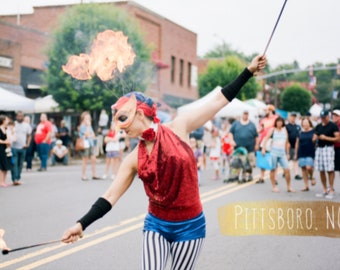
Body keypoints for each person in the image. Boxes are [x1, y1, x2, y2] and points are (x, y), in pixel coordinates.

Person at [61, 55, 267, 269]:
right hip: (156, 225)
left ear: (139, 114)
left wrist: (248, 71)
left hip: (190, 226)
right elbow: (110, 196)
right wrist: (81, 223)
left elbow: (217, 101)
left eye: (124, 122)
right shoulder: (133, 158)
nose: (122, 130)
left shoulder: (180, 126)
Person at [261, 117, 295, 193]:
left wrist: (287, 153)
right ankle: (274, 186)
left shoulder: (284, 130)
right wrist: (263, 148)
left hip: (282, 153)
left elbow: (287, 142)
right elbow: (266, 138)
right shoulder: (272, 130)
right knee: (273, 169)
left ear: (282, 123)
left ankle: (289, 186)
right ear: (276, 123)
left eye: (280, 122)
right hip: (273, 152)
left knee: (287, 169)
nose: (279, 123)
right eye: (278, 122)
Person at [313, 109, 340, 199]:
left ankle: (331, 189)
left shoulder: (333, 126)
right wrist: (315, 138)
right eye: (322, 117)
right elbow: (313, 138)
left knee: (330, 169)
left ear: (328, 117)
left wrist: (326, 138)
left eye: (324, 117)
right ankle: (324, 189)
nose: (323, 119)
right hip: (319, 149)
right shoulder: (318, 126)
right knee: (321, 170)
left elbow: (337, 139)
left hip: (329, 148)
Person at [229, 110, 259, 182]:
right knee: (237, 162)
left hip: (250, 147)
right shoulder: (236, 124)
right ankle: (238, 175)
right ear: (242, 115)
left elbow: (256, 136)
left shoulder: (252, 124)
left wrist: (257, 144)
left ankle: (248, 175)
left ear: (248, 115)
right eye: (244, 114)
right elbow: (230, 133)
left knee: (249, 163)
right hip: (238, 148)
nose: (245, 115)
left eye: (246, 114)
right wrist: (232, 141)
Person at [256, 104, 278, 183]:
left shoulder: (276, 118)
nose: (265, 112)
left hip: (273, 141)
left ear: (271, 110)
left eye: (266, 110)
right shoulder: (263, 120)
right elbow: (259, 130)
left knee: (274, 159)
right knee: (263, 157)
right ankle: (261, 177)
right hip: (263, 141)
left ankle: (274, 177)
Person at [10, 111, 32, 185]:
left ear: (23, 117)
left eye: (21, 116)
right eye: (18, 116)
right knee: (14, 163)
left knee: (21, 164)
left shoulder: (26, 125)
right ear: (16, 117)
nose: (20, 117)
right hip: (14, 147)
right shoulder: (13, 124)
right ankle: (14, 179)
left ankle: (18, 178)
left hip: (23, 147)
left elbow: (29, 135)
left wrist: (27, 144)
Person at [78, 111, 101, 180]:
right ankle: (83, 175)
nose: (88, 119)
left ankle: (94, 174)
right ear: (83, 119)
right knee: (85, 160)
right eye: (86, 118)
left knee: (93, 159)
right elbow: (86, 134)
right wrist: (88, 128)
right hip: (86, 145)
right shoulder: (82, 126)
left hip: (91, 144)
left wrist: (90, 133)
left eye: (88, 118)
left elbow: (93, 135)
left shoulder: (89, 126)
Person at [295, 117, 315, 191]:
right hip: (301, 152)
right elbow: (297, 143)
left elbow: (316, 140)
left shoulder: (313, 131)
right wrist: (296, 153)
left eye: (307, 123)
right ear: (302, 124)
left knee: (308, 167)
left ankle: (312, 177)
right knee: (303, 169)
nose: (305, 125)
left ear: (309, 123)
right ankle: (306, 185)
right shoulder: (300, 132)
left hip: (310, 152)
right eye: (304, 124)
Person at [286, 112, 302, 180]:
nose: (293, 118)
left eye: (294, 117)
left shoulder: (297, 127)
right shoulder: (286, 126)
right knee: (287, 159)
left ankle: (296, 174)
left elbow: (298, 136)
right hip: (288, 144)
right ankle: (286, 171)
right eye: (292, 116)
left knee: (295, 160)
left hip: (295, 144)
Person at [0, 115, 11, 188]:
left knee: (5, 165)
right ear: (3, 121)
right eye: (7, 120)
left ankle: (4, 181)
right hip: (0, 149)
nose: (8, 121)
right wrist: (5, 142)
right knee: (1, 166)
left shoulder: (6, 129)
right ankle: (1, 181)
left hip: (5, 149)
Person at [332, 109, 340, 179]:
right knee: (331, 169)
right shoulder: (332, 125)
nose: (334, 117)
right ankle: (331, 187)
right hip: (332, 149)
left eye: (336, 116)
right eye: (333, 115)